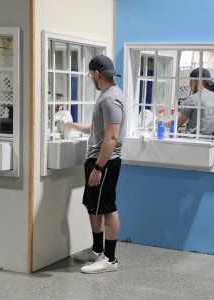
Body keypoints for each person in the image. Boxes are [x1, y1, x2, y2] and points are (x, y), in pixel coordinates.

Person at [66, 55, 128, 274]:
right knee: (94, 207)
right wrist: (71, 125)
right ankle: (97, 249)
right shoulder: (107, 95)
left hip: (106, 162)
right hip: (98, 159)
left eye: (90, 74)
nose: (90, 78)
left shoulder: (110, 99)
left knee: (107, 208)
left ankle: (110, 259)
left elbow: (111, 138)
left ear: (96, 74)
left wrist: (98, 168)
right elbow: (98, 129)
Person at [166, 68, 214, 136]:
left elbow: (176, 123)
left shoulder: (193, 99)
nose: (190, 85)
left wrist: (158, 121)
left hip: (192, 142)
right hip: (209, 142)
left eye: (191, 82)